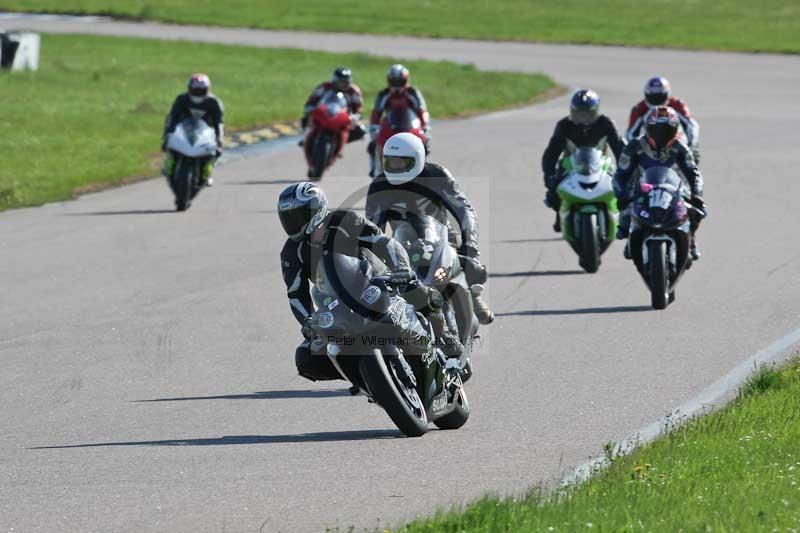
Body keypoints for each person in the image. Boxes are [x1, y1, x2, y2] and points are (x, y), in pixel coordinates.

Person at [278, 182, 462, 382]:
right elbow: (296, 294)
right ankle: (364, 377)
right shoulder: (291, 253)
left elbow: (385, 242)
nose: (293, 222)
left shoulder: (345, 220)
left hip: (377, 282)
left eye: (298, 215)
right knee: (306, 358)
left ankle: (444, 336)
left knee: (415, 288)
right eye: (287, 217)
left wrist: (401, 269)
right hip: (336, 303)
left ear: (317, 209)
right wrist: (307, 320)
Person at [366, 132, 495, 326]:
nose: (396, 167)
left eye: (402, 162)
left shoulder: (437, 175)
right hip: (404, 246)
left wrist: (470, 243)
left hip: (442, 241)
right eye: (391, 162)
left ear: (417, 158)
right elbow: (374, 229)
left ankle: (472, 292)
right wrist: (375, 261)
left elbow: (464, 210)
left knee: (474, 267)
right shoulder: (379, 186)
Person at [614, 106, 705, 260]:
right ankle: (631, 234)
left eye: (666, 130)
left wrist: (696, 195)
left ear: (675, 130)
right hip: (642, 190)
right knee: (626, 209)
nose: (661, 135)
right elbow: (620, 174)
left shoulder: (680, 148)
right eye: (657, 130)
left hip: (673, 190)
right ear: (648, 129)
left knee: (696, 210)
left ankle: (690, 240)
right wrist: (622, 195)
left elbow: (693, 173)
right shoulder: (635, 147)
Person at [541, 89, 626, 232]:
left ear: (596, 112)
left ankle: (621, 216)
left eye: (587, 114)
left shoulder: (606, 123)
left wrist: (624, 173)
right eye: (579, 114)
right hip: (570, 163)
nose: (583, 119)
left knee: (622, 188)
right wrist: (549, 176)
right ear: (572, 111)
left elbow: (620, 149)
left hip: (601, 163)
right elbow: (551, 153)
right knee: (554, 185)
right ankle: (559, 212)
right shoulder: (564, 126)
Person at [367, 64, 430, 176]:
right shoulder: (384, 94)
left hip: (409, 126)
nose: (396, 85)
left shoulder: (412, 92)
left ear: (405, 80)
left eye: (399, 81)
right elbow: (376, 112)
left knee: (425, 145)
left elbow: (421, 109)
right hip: (390, 127)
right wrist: (374, 127)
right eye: (394, 81)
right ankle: (375, 171)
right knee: (373, 145)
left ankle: (422, 171)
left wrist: (425, 126)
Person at [162, 73, 224, 186]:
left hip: (206, 132)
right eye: (195, 90)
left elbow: (218, 122)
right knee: (169, 144)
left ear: (207, 89)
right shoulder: (181, 99)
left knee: (215, 151)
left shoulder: (214, 102)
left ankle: (207, 173)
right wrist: (168, 134)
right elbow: (172, 117)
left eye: (201, 90)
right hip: (184, 128)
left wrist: (219, 139)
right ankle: (169, 165)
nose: (198, 93)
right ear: (189, 89)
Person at [627, 77, 700, 163]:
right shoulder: (639, 108)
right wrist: (634, 150)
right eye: (653, 96)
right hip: (648, 148)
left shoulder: (677, 104)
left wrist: (692, 145)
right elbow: (630, 134)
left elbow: (691, 125)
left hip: (676, 145)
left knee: (691, 167)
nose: (656, 99)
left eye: (659, 96)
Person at [301, 66, 366, 143]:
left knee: (361, 130)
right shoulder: (324, 87)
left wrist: (356, 116)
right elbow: (312, 100)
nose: (343, 85)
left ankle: (340, 141)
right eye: (341, 82)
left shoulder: (354, 91)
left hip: (344, 117)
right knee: (306, 119)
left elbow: (359, 108)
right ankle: (307, 138)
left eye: (345, 82)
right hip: (325, 113)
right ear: (335, 80)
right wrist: (310, 108)